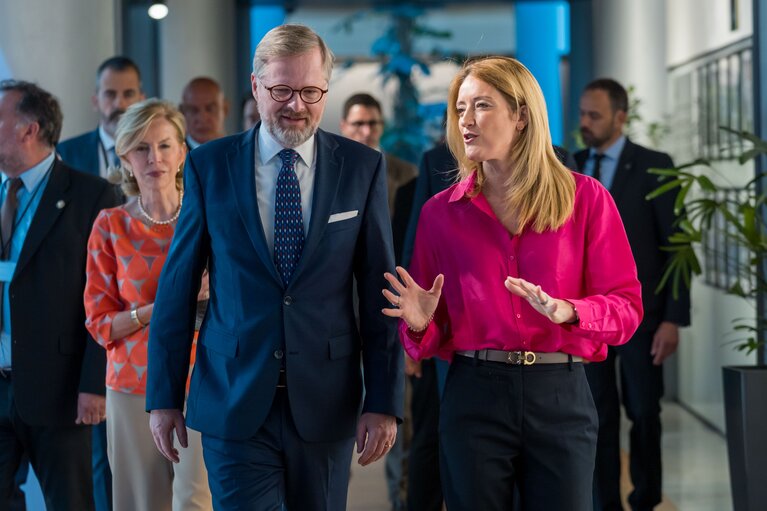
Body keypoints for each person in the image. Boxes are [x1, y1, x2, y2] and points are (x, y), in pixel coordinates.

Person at [145, 24, 404, 510]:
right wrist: (163, 396)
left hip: (326, 400)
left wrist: (384, 401)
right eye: (282, 90)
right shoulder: (209, 166)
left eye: (310, 91)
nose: (297, 105)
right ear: (255, 86)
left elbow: (379, 295)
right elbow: (177, 289)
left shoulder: (361, 167)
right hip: (233, 398)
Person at [382, 57, 644, 511]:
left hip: (559, 393)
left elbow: (626, 307)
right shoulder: (439, 214)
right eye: (459, 108)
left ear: (522, 115)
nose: (465, 121)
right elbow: (428, 336)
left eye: (481, 106)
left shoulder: (586, 199)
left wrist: (571, 310)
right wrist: (421, 326)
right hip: (473, 394)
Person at [83, 99, 212, 511]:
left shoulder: (208, 217)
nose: (153, 157)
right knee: (142, 503)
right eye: (141, 147)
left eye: (164, 145)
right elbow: (100, 323)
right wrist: (159, 309)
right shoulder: (110, 224)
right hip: (131, 383)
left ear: (182, 152)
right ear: (125, 157)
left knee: (196, 500)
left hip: (203, 377)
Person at [0, 79, 118, 510]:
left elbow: (105, 298)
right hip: (0, 380)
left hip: (61, 391)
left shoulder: (92, 195)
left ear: (28, 129)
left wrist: (94, 385)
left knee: (71, 503)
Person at [575, 78, 691, 511]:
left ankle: (645, 499)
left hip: (643, 317)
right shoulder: (572, 165)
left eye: (595, 115)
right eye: (583, 114)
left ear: (621, 118)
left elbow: (678, 247)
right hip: (588, 320)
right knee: (598, 417)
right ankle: (605, 503)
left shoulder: (655, 165)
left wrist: (673, 319)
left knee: (644, 412)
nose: (585, 123)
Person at [340, 93, 417, 262]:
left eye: (372, 123)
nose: (366, 131)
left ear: (382, 126)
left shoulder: (408, 173)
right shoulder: (327, 172)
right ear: (343, 126)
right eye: (358, 124)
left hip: (392, 267)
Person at [58, 56, 145, 179]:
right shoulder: (66, 154)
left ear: (142, 100)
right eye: (110, 94)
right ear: (95, 101)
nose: (119, 103)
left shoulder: (159, 153)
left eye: (128, 94)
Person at [179, 77, 229, 149]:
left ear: (225, 109)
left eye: (210, 109)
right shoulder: (173, 157)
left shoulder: (241, 153)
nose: (202, 118)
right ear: (182, 113)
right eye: (193, 110)